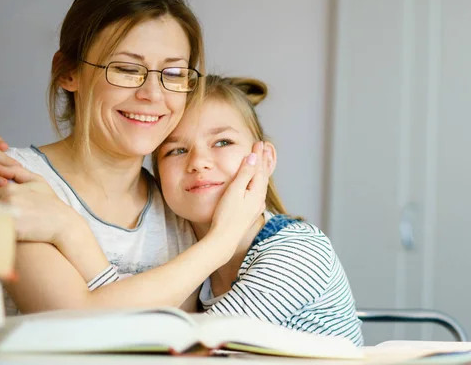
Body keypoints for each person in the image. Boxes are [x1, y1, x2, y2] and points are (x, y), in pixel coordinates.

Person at [0, 0, 269, 315]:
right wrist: (220, 243)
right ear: (68, 72)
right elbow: (69, 327)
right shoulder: (16, 182)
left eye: (173, 74)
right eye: (127, 69)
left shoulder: (184, 201)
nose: (152, 95)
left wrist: (69, 230)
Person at [153, 75, 364, 346]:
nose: (198, 162)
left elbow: (197, 348)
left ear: (265, 158)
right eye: (176, 150)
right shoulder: (183, 256)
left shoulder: (299, 251)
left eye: (222, 142)